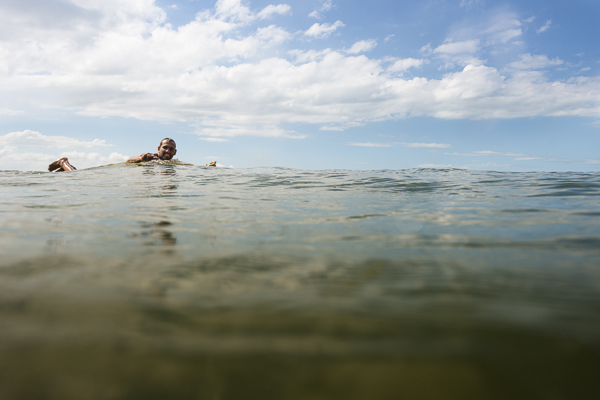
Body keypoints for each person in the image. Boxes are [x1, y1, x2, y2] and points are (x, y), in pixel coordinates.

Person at [48, 138, 216, 171]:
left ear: (175, 152)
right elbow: (130, 160)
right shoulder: (150, 156)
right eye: (165, 147)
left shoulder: (174, 162)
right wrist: (141, 159)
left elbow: (188, 166)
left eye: (171, 149)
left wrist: (204, 167)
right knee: (76, 178)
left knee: (72, 177)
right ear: (159, 148)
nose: (168, 151)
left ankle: (62, 166)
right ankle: (63, 162)